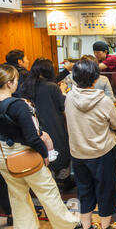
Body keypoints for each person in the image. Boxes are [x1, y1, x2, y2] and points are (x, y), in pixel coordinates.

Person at [0, 64, 81, 229]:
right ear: (9, 83)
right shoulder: (17, 105)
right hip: (24, 154)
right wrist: (44, 154)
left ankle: (25, 228)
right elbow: (32, 137)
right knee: (47, 190)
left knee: (17, 195)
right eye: (15, 80)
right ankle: (66, 225)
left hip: (3, 156)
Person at [65, 59, 116, 229]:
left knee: (84, 190)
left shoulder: (69, 97)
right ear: (96, 79)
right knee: (105, 190)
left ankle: (87, 228)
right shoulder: (104, 100)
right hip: (101, 153)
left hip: (78, 153)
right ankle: (106, 228)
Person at [19, 58, 75, 192]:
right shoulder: (52, 87)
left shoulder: (25, 86)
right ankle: (63, 182)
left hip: (35, 125)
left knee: (41, 152)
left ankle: (45, 182)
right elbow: (63, 106)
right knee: (60, 149)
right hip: (53, 123)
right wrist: (62, 91)